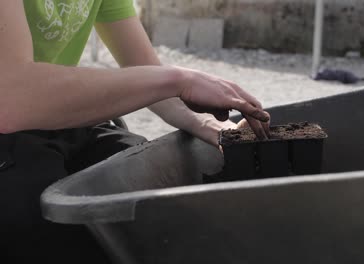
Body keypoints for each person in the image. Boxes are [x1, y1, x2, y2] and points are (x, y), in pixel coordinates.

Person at [0, 1, 270, 263]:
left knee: (145, 192)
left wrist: (214, 126)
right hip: (11, 121)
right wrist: (180, 80)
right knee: (46, 223)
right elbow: (12, 99)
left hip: (57, 117)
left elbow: (149, 76)